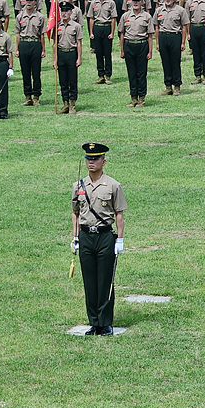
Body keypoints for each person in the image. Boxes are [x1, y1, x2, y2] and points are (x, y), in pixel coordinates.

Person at [71, 142, 125, 336]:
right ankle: (94, 322)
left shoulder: (113, 185)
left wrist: (119, 239)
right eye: (88, 158)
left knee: (105, 281)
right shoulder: (78, 185)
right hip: (86, 236)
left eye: (95, 159)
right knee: (89, 281)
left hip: (104, 236)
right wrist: (75, 236)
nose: (91, 162)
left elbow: (119, 213)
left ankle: (105, 322)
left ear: (104, 161)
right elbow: (75, 213)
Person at [119, 0, 155, 106]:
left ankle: (142, 98)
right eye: (133, 0)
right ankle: (133, 97)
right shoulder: (125, 16)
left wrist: (150, 51)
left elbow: (150, 35)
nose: (135, 2)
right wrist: (122, 50)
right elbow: (122, 34)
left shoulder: (147, 16)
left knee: (141, 73)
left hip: (142, 45)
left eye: (138, 0)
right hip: (129, 45)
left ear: (142, 2)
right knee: (131, 73)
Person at [155, 0, 190, 95]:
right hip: (163, 37)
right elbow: (156, 26)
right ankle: (168, 86)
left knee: (175, 62)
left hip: (175, 36)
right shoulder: (159, 10)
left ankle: (177, 86)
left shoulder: (180, 10)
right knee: (165, 62)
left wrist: (183, 42)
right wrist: (157, 42)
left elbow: (184, 26)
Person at [14, 0, 46, 106]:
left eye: (31, 0)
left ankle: (36, 96)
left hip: (35, 44)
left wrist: (43, 49)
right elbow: (17, 34)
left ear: (35, 2)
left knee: (36, 72)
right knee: (25, 72)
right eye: (27, 0)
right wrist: (17, 49)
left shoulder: (40, 17)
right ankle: (27, 96)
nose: (29, 2)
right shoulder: (20, 16)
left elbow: (42, 35)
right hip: (23, 44)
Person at [53, 2, 83, 113]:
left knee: (72, 80)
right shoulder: (57, 26)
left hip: (71, 53)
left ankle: (72, 104)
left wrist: (79, 58)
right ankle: (65, 103)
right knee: (63, 80)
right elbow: (55, 44)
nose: (64, 13)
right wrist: (55, 60)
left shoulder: (76, 26)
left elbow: (79, 43)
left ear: (71, 12)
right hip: (61, 54)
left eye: (67, 11)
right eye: (63, 11)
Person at [87, 0, 118, 85]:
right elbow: (91, 18)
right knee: (98, 53)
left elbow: (113, 19)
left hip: (106, 27)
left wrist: (112, 33)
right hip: (97, 28)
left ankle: (108, 75)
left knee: (107, 53)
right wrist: (91, 32)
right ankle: (100, 75)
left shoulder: (111, 3)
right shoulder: (93, 3)